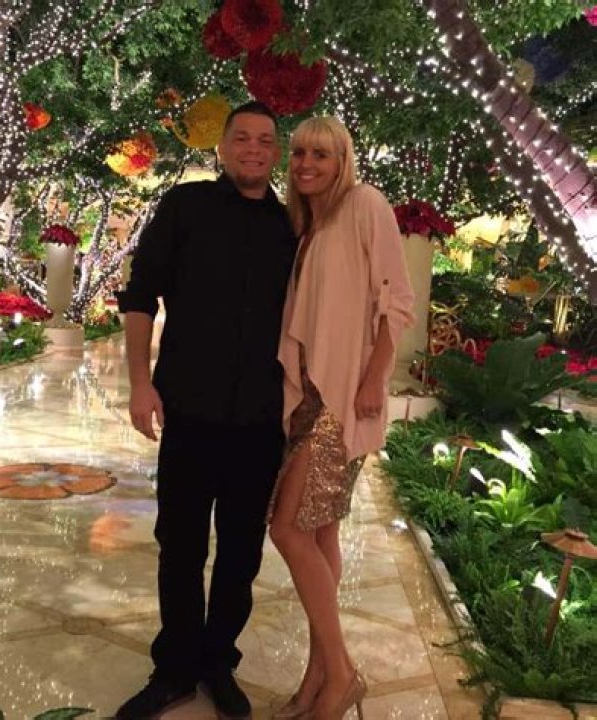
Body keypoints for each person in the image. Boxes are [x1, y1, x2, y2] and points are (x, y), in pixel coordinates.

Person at [115, 101, 297, 720]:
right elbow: (140, 296)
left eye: (265, 140)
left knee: (241, 552)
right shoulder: (184, 206)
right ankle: (174, 670)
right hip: (189, 410)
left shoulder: (291, 226)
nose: (253, 149)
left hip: (260, 420)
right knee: (180, 545)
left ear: (276, 153)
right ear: (221, 147)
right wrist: (140, 384)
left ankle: (218, 663)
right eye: (242, 138)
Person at [267, 117, 415, 720]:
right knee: (319, 532)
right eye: (300, 151)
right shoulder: (309, 226)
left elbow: (395, 299)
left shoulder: (364, 204)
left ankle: (343, 673)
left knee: (287, 529)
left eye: (321, 154)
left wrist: (374, 378)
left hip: (340, 398)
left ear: (342, 159)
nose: (307, 162)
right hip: (306, 397)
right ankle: (319, 676)